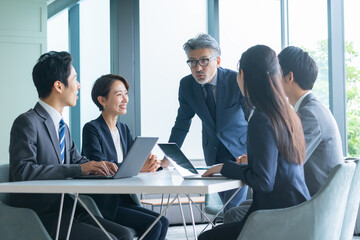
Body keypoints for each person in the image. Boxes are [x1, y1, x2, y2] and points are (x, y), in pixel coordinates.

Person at [8, 51, 132, 240]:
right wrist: (80, 169)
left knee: (124, 234)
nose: (79, 86)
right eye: (75, 79)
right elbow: (22, 171)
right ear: (59, 86)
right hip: (41, 215)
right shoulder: (27, 122)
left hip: (69, 209)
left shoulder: (62, 127)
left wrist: (102, 168)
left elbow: (79, 161)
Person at [198, 45, 310, 240]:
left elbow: (263, 181)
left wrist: (225, 167)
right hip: (298, 212)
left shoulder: (261, 117)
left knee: (206, 238)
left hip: (275, 219)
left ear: (242, 75)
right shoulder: (287, 113)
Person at [224, 46, 345, 224]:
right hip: (306, 196)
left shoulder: (309, 114)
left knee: (235, 214)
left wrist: (248, 162)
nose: (271, 77)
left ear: (289, 77)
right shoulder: (307, 109)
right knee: (240, 210)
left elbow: (289, 161)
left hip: (311, 203)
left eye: (276, 72)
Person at [162, 33, 249, 211]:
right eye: (192, 62)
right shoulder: (187, 85)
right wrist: (168, 158)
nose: (198, 67)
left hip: (240, 154)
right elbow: (181, 124)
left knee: (232, 207)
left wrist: (256, 152)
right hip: (213, 154)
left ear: (217, 61)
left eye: (204, 61)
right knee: (228, 207)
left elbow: (252, 117)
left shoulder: (235, 81)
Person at [81, 74, 169, 240]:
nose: (125, 99)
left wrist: (152, 164)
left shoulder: (123, 129)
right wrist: (137, 166)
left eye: (125, 93)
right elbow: (100, 167)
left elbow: (132, 162)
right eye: (119, 94)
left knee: (163, 221)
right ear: (102, 100)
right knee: (155, 225)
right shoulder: (92, 129)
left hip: (124, 198)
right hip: (105, 203)